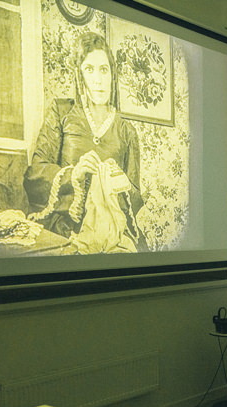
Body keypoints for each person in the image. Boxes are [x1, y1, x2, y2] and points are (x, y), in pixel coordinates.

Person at [24, 32, 144, 253]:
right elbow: (35, 173)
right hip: (64, 227)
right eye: (89, 69)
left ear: (112, 75)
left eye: (103, 69)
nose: (98, 79)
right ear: (80, 76)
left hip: (111, 230)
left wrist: (113, 182)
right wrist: (74, 175)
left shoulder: (127, 131)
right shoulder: (61, 112)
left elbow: (135, 195)